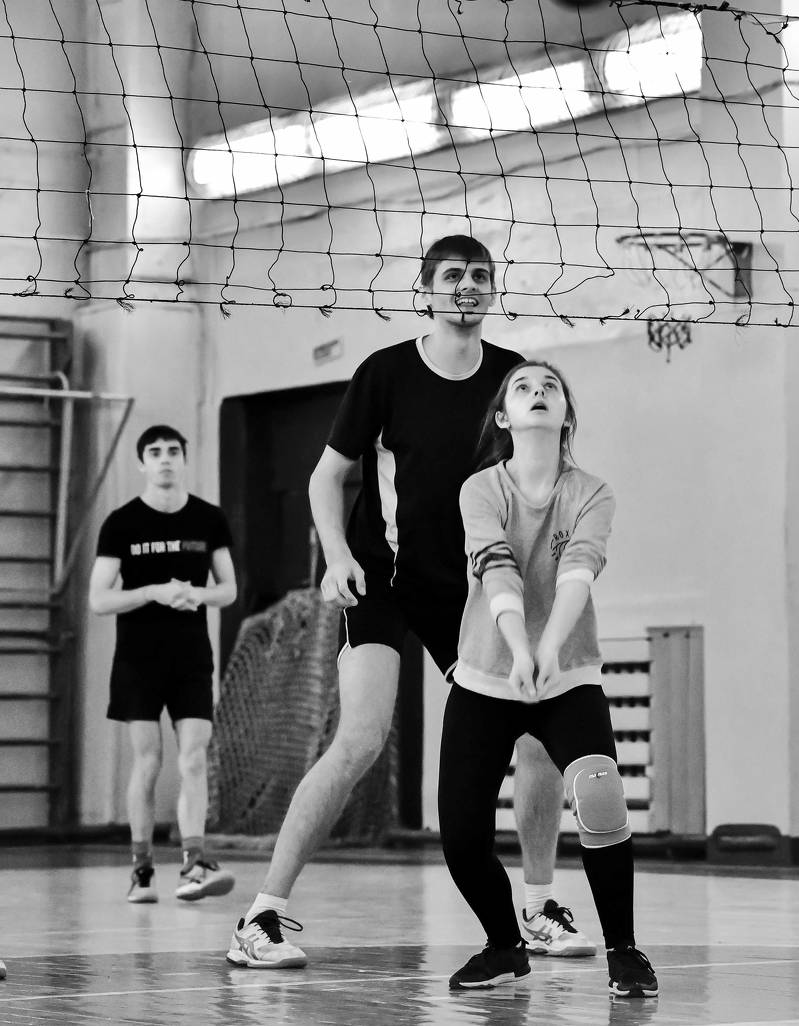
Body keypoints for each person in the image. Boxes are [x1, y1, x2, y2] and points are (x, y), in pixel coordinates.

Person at [227, 235, 594, 970]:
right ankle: (260, 917)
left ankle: (538, 906)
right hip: (385, 582)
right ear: (425, 290)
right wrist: (337, 556)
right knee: (360, 739)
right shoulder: (386, 372)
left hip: (471, 594)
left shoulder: (512, 378)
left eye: (480, 275)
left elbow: (536, 481)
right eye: (453, 275)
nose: (467, 286)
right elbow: (325, 477)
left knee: (534, 739)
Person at [441, 360, 657, 999]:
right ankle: (505, 946)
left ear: (566, 416)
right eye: (523, 388)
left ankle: (624, 951)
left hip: (567, 676)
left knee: (601, 799)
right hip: (487, 674)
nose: (538, 393)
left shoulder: (592, 492)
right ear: (503, 418)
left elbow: (578, 572)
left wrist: (548, 650)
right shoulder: (480, 489)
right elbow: (496, 569)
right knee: (461, 838)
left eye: (550, 387)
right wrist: (518, 648)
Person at [88, 425, 238, 904]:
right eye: (155, 452)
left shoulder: (209, 519)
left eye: (173, 450)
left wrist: (197, 594)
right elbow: (98, 599)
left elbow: (228, 589)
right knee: (149, 760)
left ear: (184, 459)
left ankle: (194, 864)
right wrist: (152, 591)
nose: (165, 458)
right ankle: (142, 870)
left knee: (194, 756)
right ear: (142, 463)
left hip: (191, 656)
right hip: (138, 659)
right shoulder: (122, 523)